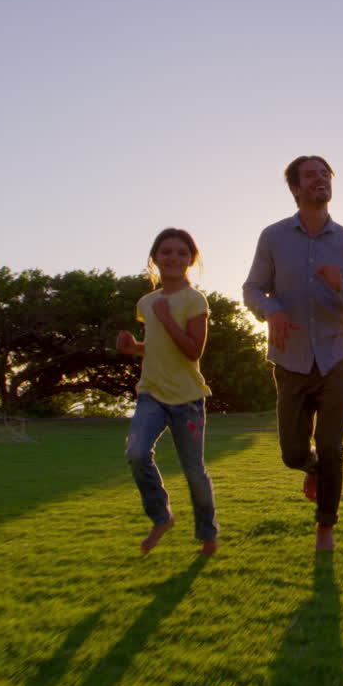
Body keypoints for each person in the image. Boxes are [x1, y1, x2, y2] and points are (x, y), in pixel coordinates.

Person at [243, 155, 343, 551]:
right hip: (291, 359)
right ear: (295, 188)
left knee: (332, 446)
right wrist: (272, 310)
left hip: (339, 357)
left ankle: (325, 527)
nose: (321, 179)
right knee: (292, 452)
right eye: (311, 175)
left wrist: (340, 286)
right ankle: (312, 467)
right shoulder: (273, 237)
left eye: (325, 174)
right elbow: (252, 289)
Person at [117, 228, 219, 556]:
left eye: (181, 252)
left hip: (187, 399)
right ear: (155, 259)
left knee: (194, 472)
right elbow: (158, 347)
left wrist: (166, 318)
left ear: (191, 260)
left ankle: (207, 534)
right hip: (151, 394)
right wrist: (133, 348)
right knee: (136, 454)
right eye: (166, 252)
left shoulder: (194, 300)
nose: (173, 258)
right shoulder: (146, 302)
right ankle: (161, 517)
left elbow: (192, 351)